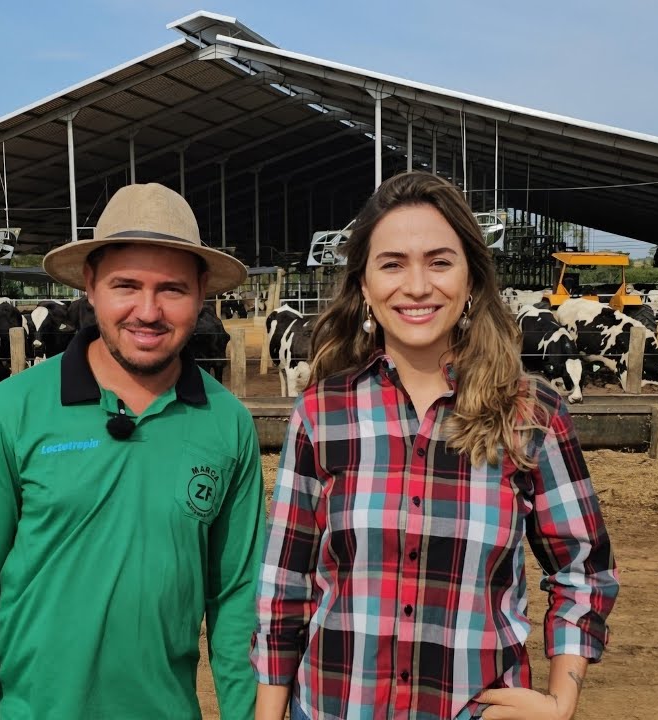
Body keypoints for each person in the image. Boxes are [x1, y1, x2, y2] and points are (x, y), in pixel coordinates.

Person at [251, 171, 619, 720]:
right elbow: (285, 588)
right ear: (364, 285)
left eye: (440, 262)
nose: (418, 286)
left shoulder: (531, 413)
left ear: (471, 279)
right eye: (393, 263)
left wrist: (561, 701)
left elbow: (583, 569)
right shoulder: (321, 414)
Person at [0, 183, 266, 719]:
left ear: (203, 293)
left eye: (173, 289)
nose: (148, 310)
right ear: (90, 285)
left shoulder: (226, 425)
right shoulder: (13, 410)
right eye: (126, 285)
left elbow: (237, 602)